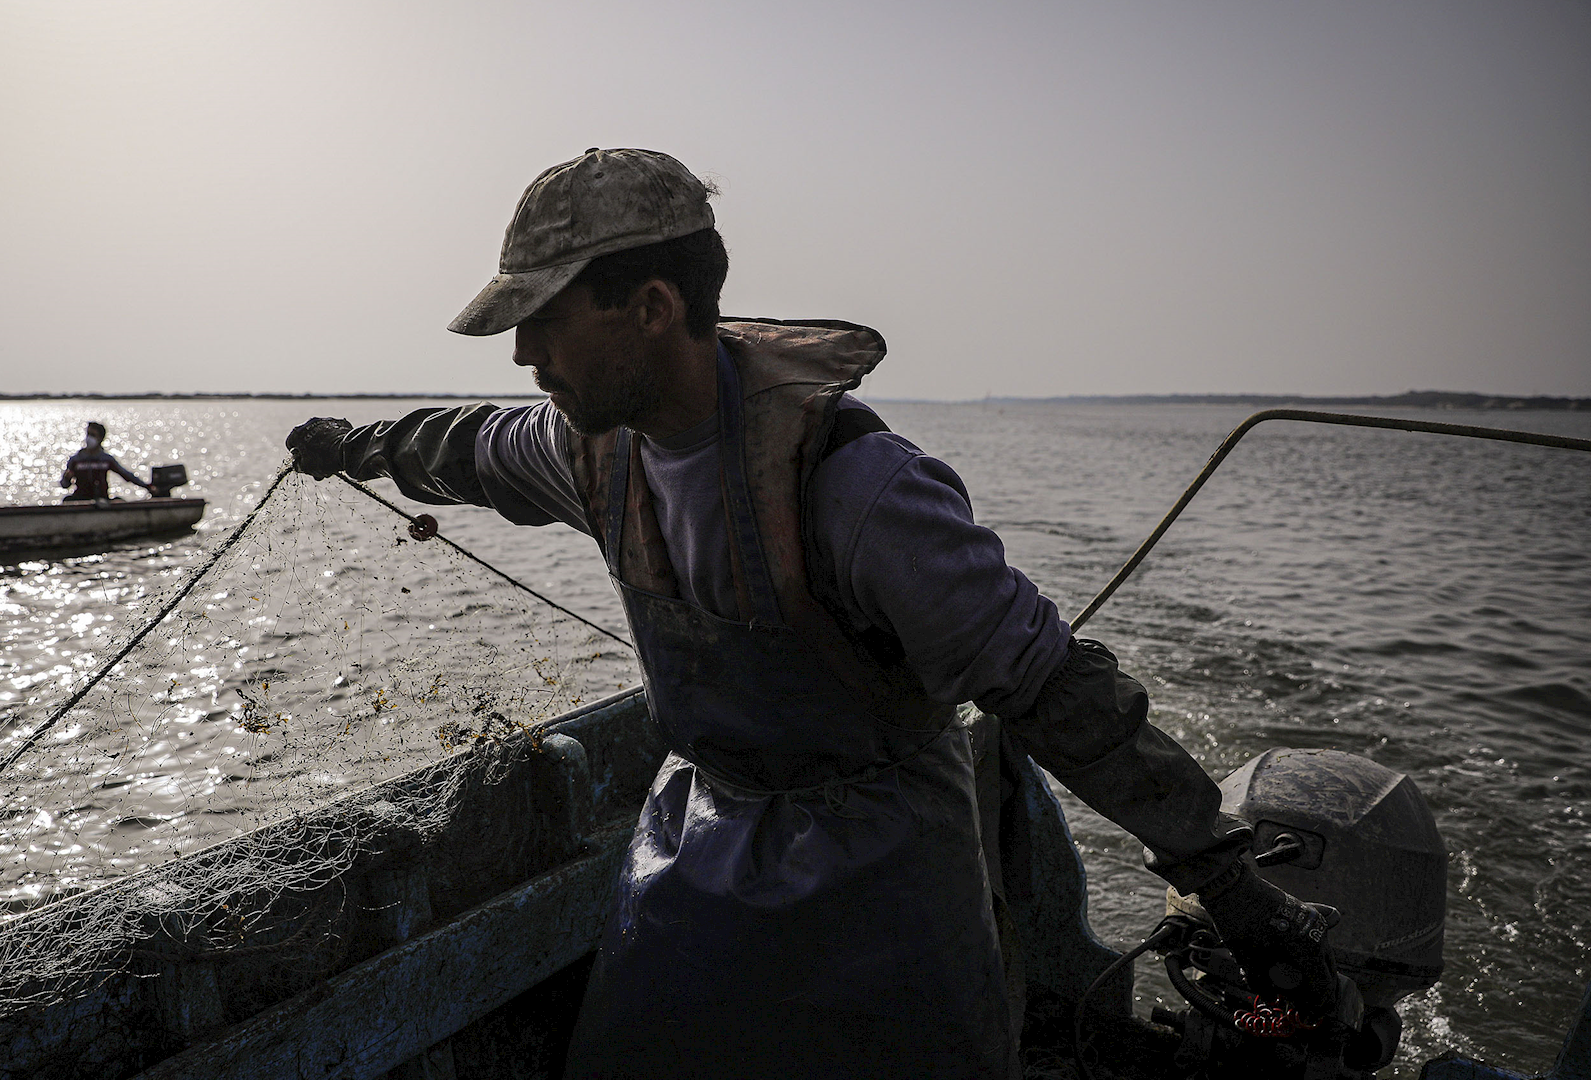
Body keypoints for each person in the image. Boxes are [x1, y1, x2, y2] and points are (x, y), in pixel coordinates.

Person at [284, 149, 1340, 1078]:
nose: (525, 359)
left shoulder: (860, 490)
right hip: (700, 834)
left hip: (890, 864)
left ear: (651, 305)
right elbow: (461, 447)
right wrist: (354, 445)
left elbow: (1055, 691)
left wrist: (1226, 880)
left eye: (546, 324)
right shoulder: (582, 450)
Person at [59, 421, 150, 501]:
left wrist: (147, 486)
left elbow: (125, 475)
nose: (89, 438)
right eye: (88, 434)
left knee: (119, 501)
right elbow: (64, 485)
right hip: (81, 498)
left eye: (93, 435)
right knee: (67, 500)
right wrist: (67, 478)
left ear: (100, 439)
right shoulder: (76, 460)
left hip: (102, 499)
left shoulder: (106, 460)